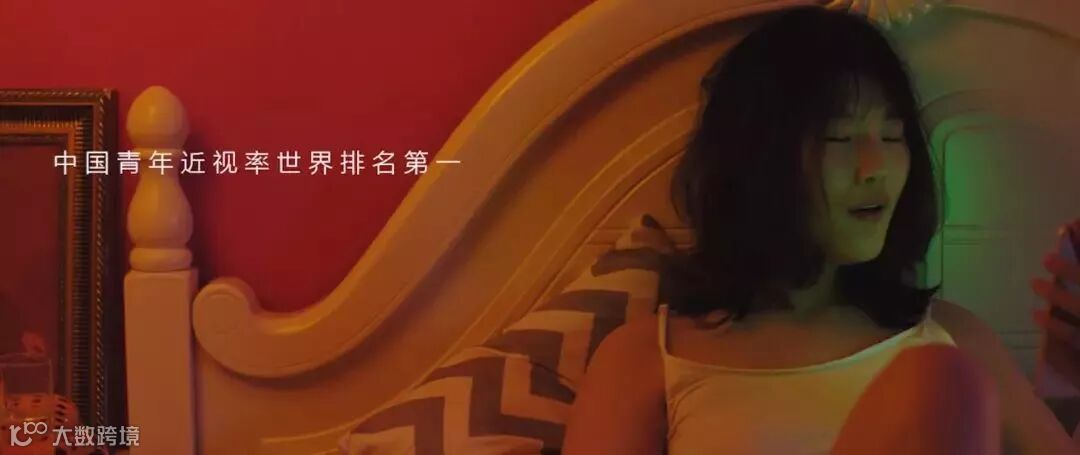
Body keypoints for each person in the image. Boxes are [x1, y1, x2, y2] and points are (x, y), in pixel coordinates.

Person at [562, 7, 1078, 454]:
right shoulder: (646, 358)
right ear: (758, 158)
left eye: (892, 135)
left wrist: (1072, 377)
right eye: (841, 137)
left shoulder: (952, 339)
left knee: (940, 382)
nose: (875, 167)